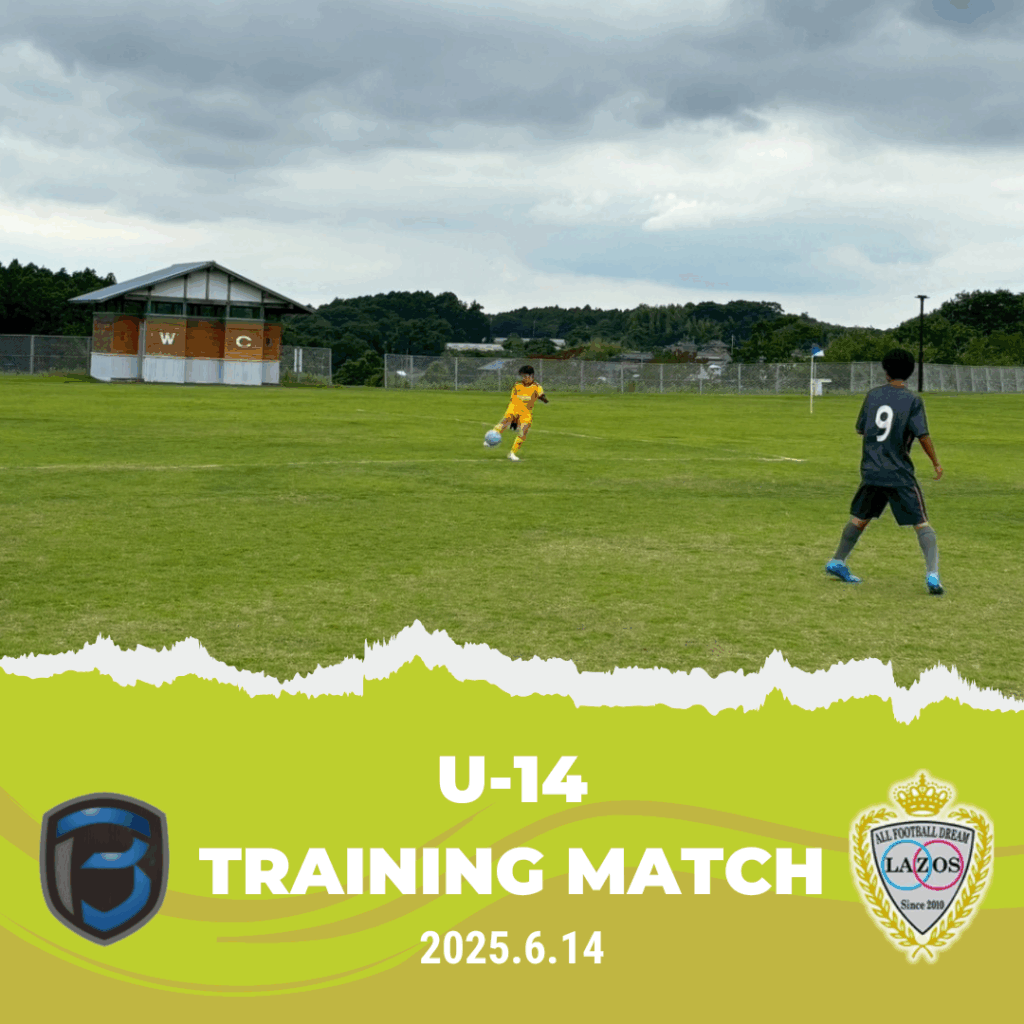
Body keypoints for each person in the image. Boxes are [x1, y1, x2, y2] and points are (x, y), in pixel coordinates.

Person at [825, 348, 945, 593]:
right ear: (910, 372)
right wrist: (935, 462)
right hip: (898, 473)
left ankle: (837, 561)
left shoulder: (873, 395)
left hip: (872, 471)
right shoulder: (912, 400)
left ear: (885, 370)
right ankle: (933, 575)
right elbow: (922, 435)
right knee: (921, 523)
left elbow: (861, 429)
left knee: (860, 519)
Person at [487, 364, 549, 461]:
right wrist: (515, 421)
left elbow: (542, 396)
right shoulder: (517, 385)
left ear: (532, 376)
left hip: (526, 412)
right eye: (522, 376)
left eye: (525, 376)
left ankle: (512, 453)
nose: (523, 378)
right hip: (514, 409)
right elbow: (513, 399)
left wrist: (543, 399)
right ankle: (489, 440)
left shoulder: (537, 387)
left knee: (524, 432)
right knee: (504, 423)